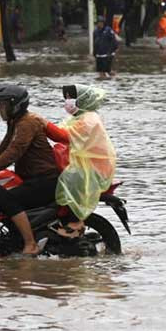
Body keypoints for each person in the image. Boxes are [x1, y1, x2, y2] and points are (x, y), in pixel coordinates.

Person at [0, 85, 60, 255]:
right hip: (32, 179)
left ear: (15, 105)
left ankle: (30, 244)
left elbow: (14, 152)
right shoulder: (16, 123)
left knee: (5, 198)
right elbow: (3, 148)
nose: (0, 109)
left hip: (44, 180)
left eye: (3, 105)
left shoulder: (27, 123)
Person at [44, 84, 116, 237]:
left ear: (83, 99)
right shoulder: (78, 117)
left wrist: (42, 123)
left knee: (69, 180)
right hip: (82, 161)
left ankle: (75, 222)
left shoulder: (90, 119)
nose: (68, 101)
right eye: (67, 98)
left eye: (71, 97)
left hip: (94, 166)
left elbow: (64, 136)